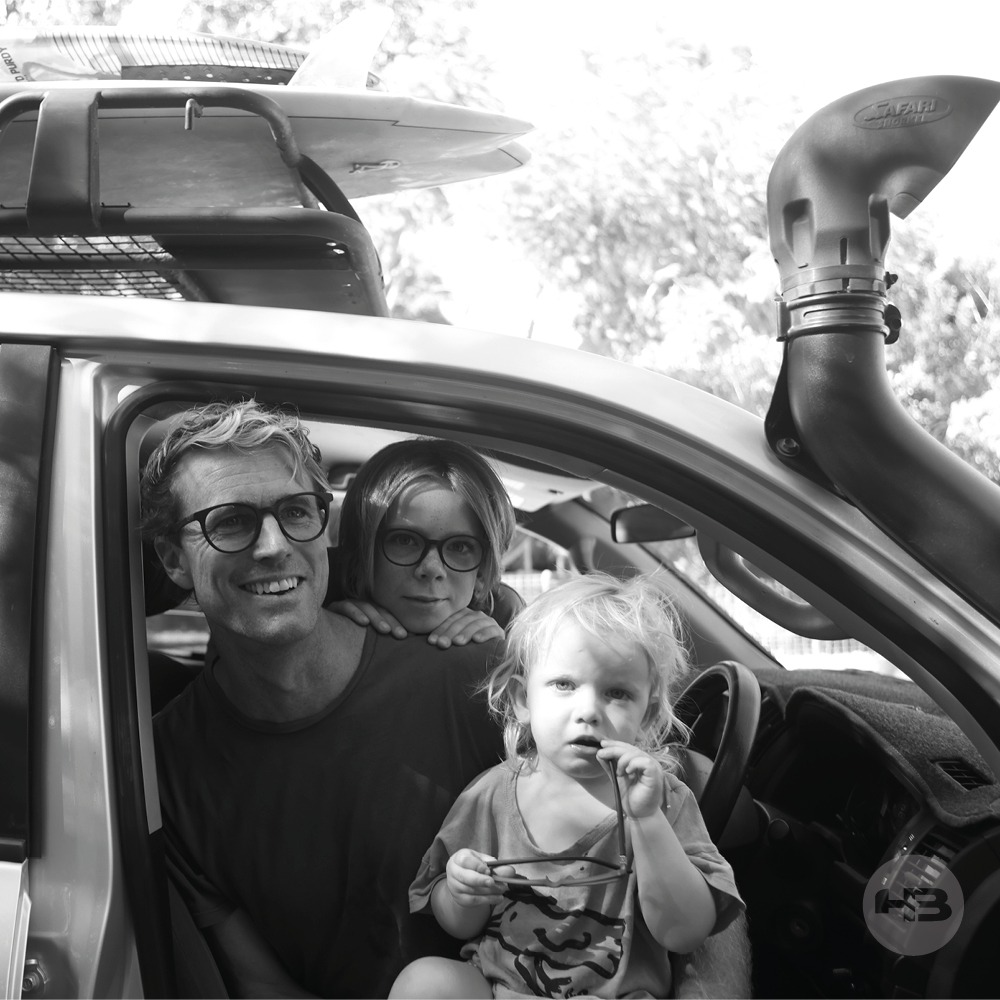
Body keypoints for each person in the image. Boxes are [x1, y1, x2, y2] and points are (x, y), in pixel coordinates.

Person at [145, 401, 516, 998]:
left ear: (326, 531)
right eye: (231, 521)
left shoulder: (476, 676)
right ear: (172, 558)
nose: (273, 546)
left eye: (296, 512)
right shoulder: (162, 767)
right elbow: (262, 986)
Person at [392, 572, 745, 999]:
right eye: (564, 685)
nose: (588, 710)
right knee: (424, 981)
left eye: (617, 693)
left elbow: (685, 934)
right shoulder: (490, 797)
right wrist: (461, 892)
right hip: (501, 988)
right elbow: (457, 926)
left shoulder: (664, 802)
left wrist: (647, 821)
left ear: (648, 717)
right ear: (523, 700)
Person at [327, 437, 518, 648]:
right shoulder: (319, 614)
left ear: (481, 572)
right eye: (405, 540)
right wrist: (327, 630)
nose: (432, 568)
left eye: (459, 547)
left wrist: (502, 657)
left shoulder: (509, 625)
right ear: (360, 553)